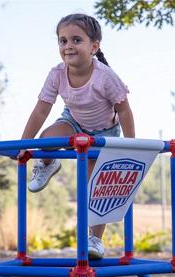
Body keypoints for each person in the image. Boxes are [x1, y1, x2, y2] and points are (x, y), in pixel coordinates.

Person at [18, 13, 135, 259]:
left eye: (76, 40)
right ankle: (48, 164)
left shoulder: (105, 76)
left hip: (103, 133)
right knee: (46, 139)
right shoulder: (57, 74)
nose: (68, 46)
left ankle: (95, 239)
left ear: (94, 47)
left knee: (97, 187)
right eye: (63, 41)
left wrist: (130, 146)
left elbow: (124, 110)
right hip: (72, 122)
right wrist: (24, 143)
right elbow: (41, 109)